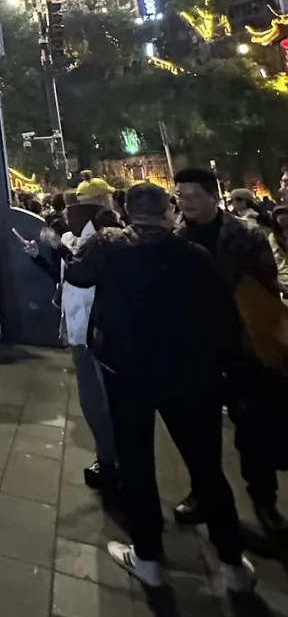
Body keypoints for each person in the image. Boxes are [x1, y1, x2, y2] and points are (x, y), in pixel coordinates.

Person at [66, 183, 256, 590]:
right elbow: (225, 318)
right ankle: (232, 561)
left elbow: (77, 275)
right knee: (206, 465)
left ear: (129, 210)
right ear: (167, 212)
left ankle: (148, 555)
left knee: (136, 463)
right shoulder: (194, 256)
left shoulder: (108, 246)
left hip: (126, 371)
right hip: (189, 374)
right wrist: (232, 374)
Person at [173, 166, 288, 535]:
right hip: (196, 349)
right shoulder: (174, 240)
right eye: (180, 197)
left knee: (254, 428)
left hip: (244, 347)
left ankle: (264, 499)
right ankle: (202, 492)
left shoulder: (246, 235)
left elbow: (267, 286)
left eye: (191, 196)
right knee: (197, 430)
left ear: (212, 195)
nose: (184, 203)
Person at [23, 200, 121, 492]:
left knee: (101, 400)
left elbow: (82, 274)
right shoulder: (74, 240)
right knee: (92, 399)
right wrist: (38, 256)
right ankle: (108, 458)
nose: (64, 218)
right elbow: (64, 277)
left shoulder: (105, 241)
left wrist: (59, 248)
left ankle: (112, 462)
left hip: (97, 332)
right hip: (79, 329)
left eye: (69, 214)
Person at [270, 205, 288, 297]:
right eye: (278, 215)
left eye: (284, 213)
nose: (282, 217)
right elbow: (278, 260)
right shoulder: (274, 237)